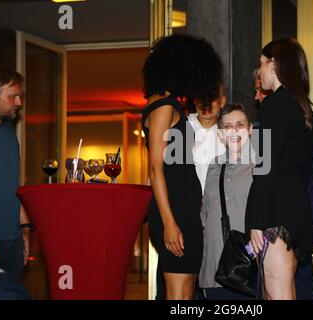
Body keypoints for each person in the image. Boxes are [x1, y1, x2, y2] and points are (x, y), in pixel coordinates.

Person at [141, 34, 223, 300]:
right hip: (174, 213)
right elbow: (155, 169)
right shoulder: (164, 106)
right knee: (178, 296)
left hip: (184, 212)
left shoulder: (169, 103)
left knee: (185, 295)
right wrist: (169, 223)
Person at [246, 38, 313, 300]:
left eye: (262, 64)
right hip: (296, 213)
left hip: (276, 214)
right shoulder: (300, 107)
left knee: (276, 292)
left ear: (274, 65)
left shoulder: (275, 105)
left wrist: (255, 221)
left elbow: (265, 167)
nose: (260, 70)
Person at [199, 104, 255, 300]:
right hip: (214, 271)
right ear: (221, 134)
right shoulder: (214, 167)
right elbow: (205, 214)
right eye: (227, 126)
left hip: (249, 270)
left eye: (240, 124)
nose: (234, 130)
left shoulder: (261, 166)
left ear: (250, 129)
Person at [0, 65, 32, 283]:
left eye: (20, 96)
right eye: (13, 96)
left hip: (12, 240)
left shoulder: (9, 133)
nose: (19, 103)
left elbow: (12, 186)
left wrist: (25, 229)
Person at [188, 85, 226, 193]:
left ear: (222, 102)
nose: (206, 103)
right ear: (195, 100)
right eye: (202, 97)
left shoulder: (230, 132)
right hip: (186, 201)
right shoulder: (182, 127)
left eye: (212, 98)